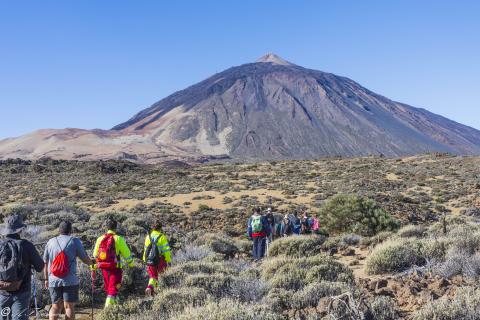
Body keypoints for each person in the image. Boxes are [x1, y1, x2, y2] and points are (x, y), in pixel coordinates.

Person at [43, 220, 94, 320]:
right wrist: (92, 263)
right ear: (70, 230)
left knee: (55, 306)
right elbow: (84, 258)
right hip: (70, 280)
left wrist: (46, 279)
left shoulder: (51, 241)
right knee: (69, 307)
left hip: (53, 279)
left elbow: (45, 262)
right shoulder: (74, 241)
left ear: (59, 230)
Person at [0, 215, 44, 320]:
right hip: (22, 291)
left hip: (2, 290)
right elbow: (40, 267)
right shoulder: (27, 245)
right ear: (20, 230)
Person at [93, 218, 134, 308]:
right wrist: (131, 263)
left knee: (109, 288)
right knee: (113, 288)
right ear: (116, 228)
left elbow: (95, 255)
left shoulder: (100, 239)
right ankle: (107, 311)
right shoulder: (119, 239)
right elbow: (127, 254)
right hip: (115, 269)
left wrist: (94, 267)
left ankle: (115, 308)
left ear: (106, 227)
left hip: (103, 268)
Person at [143, 219, 171, 297]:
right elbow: (166, 251)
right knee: (161, 276)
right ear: (160, 228)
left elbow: (145, 249)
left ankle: (149, 288)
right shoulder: (162, 237)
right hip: (160, 260)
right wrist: (168, 260)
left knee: (152, 276)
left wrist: (145, 260)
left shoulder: (148, 237)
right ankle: (158, 292)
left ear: (153, 228)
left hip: (149, 260)